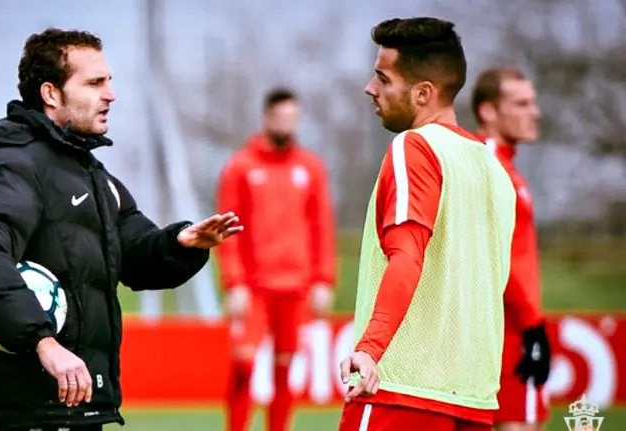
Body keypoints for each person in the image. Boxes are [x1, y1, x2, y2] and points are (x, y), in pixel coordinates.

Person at [0, 28, 242, 431]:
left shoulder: (94, 176)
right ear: (51, 94)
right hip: (30, 413)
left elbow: (135, 254)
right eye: (95, 83)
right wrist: (43, 343)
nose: (111, 94)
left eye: (110, 81)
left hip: (83, 405)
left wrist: (180, 243)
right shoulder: (14, 165)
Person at [336, 18, 517, 431]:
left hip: (401, 391)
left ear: (422, 93)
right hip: (473, 400)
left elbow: (407, 255)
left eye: (383, 78)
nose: (370, 87)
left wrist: (369, 349)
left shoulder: (414, 147)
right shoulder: (494, 168)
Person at [216, 88, 337, 431]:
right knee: (245, 366)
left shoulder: (310, 168)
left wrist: (323, 279)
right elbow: (227, 231)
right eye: (281, 117)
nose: (288, 124)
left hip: (295, 286)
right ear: (266, 117)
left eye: (293, 118)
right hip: (253, 288)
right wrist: (234, 282)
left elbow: (321, 226)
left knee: (286, 370)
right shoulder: (240, 167)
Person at [471, 67, 551, 431]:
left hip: (511, 330)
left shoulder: (504, 166)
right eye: (521, 103)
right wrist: (533, 327)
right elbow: (497, 258)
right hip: (507, 333)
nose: (534, 112)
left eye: (532, 102)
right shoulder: (489, 167)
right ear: (488, 111)